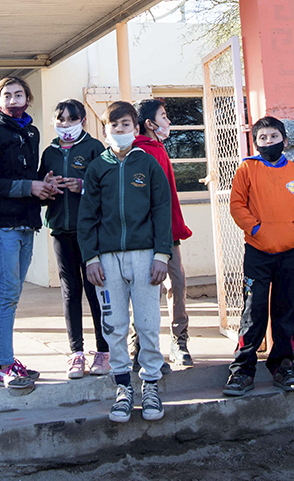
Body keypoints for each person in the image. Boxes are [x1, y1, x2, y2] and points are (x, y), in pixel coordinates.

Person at [79, 101, 172, 423]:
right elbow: (87, 216)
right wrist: (90, 257)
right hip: (107, 260)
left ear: (136, 128)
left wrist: (162, 254)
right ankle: (122, 386)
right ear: (104, 131)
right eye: (113, 126)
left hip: (145, 256)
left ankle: (150, 385)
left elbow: (162, 210)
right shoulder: (96, 168)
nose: (119, 131)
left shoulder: (148, 165)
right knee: (115, 326)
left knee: (147, 324)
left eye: (125, 125)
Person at [223, 116, 294, 396]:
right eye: (262, 138)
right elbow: (237, 204)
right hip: (257, 251)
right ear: (256, 143)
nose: (268, 143)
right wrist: (255, 228)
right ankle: (242, 370)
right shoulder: (247, 170)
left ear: (284, 140)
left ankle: (283, 365)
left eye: (273, 137)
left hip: (290, 251)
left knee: (286, 307)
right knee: (253, 309)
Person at [0, 76, 61, 389]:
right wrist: (29, 186)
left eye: (18, 94)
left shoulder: (33, 132)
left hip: (28, 222)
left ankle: (4, 359)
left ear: (28, 99)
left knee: (14, 294)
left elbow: (28, 174)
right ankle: (4, 365)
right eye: (7, 95)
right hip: (2, 225)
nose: (13, 99)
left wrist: (44, 182)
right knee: (8, 294)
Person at [38, 99, 111, 379]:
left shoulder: (94, 148)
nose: (65, 124)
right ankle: (76, 353)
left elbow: (105, 186)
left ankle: (102, 353)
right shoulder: (49, 152)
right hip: (60, 229)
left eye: (71, 119)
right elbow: (40, 186)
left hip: (89, 231)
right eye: (61, 119)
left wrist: (82, 186)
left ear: (83, 120)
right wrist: (47, 186)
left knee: (95, 291)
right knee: (70, 292)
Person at [132, 99, 194, 368]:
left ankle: (179, 340)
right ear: (149, 123)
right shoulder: (138, 152)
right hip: (147, 235)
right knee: (147, 290)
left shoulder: (159, 148)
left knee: (177, 284)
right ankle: (143, 345)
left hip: (169, 232)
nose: (168, 122)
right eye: (164, 116)